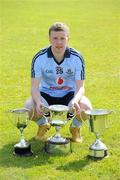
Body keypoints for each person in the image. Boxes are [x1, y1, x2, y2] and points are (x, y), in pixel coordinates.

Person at [25, 22, 92, 142]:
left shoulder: (76, 58)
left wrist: (76, 100)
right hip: (46, 94)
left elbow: (80, 87)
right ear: (49, 39)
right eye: (55, 38)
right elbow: (34, 87)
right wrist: (38, 101)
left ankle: (75, 128)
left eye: (62, 38)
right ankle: (43, 125)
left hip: (69, 95)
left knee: (86, 108)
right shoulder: (39, 57)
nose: (59, 42)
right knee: (29, 108)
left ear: (68, 39)